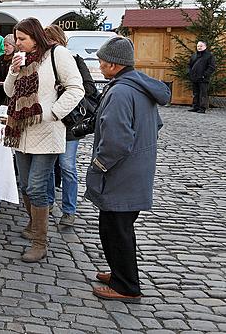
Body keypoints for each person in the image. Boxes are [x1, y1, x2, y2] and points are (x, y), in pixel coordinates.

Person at [87, 37, 170, 301]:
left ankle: (126, 286)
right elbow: (154, 125)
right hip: (134, 169)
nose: (99, 66)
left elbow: (117, 140)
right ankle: (119, 272)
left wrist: (99, 165)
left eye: (101, 61)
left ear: (113, 64)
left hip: (121, 172)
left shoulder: (122, 92)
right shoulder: (137, 86)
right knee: (114, 226)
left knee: (117, 229)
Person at [4, 18, 83, 262]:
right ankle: (33, 224)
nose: (18, 44)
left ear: (35, 37)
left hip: (47, 132)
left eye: (22, 39)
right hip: (21, 130)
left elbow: (76, 88)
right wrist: (12, 71)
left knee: (38, 186)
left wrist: (53, 113)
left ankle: (40, 242)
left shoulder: (57, 55)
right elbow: (9, 92)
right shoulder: (22, 59)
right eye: (16, 39)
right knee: (26, 185)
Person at [44, 25, 97, 228]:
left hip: (68, 123)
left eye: (51, 41)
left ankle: (69, 210)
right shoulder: (43, 61)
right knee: (48, 167)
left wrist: (64, 88)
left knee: (67, 167)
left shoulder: (75, 60)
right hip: (48, 122)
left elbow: (89, 88)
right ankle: (48, 203)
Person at [188, 41, 216, 114]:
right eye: (198, 46)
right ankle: (195, 107)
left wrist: (205, 75)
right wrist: (190, 73)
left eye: (201, 46)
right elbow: (189, 65)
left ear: (205, 47)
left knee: (203, 94)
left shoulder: (209, 56)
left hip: (203, 78)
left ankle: (202, 108)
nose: (199, 47)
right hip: (194, 78)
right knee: (195, 93)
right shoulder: (194, 55)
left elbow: (212, 67)